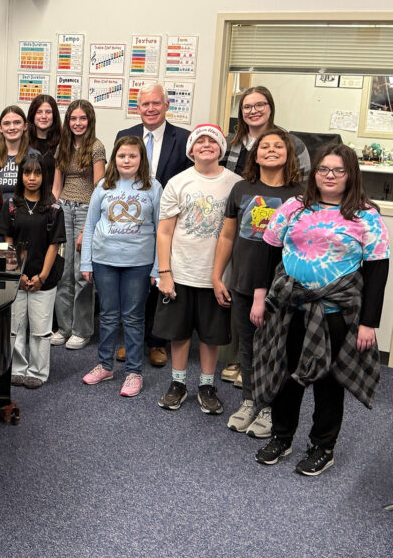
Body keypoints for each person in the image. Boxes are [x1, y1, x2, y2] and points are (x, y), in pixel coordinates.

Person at [253, 144, 389, 476]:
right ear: (314, 173)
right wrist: (259, 298)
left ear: (351, 174)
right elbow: (267, 252)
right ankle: (281, 437)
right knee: (286, 375)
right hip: (290, 307)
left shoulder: (365, 215)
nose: (330, 176)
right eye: (323, 169)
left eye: (338, 170)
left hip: (335, 313)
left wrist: (369, 323)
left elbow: (377, 271)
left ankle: (322, 447)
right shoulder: (295, 207)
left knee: (329, 382)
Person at [211, 127, 303, 435]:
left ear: (289, 154)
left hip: (283, 287)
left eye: (278, 146)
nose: (271, 150)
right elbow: (227, 235)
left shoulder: (301, 194)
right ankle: (250, 401)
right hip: (243, 281)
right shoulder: (241, 189)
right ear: (255, 154)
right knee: (248, 347)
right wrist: (217, 275)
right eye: (265, 146)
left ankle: (269, 407)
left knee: (276, 350)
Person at [154, 124, 241, 414]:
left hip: (217, 276)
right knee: (179, 333)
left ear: (221, 149)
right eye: (199, 141)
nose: (206, 145)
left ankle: (206, 385)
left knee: (211, 335)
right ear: (191, 150)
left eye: (212, 141)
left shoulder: (235, 184)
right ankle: (178, 383)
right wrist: (164, 273)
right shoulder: (178, 182)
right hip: (181, 272)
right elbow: (164, 231)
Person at [116, 82, 192, 367]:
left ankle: (157, 341)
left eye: (156, 103)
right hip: (132, 221)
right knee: (134, 283)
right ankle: (132, 340)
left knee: (161, 278)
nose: (150, 109)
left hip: (169, 222)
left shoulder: (183, 138)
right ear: (138, 108)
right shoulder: (125, 135)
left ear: (166, 105)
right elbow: (117, 177)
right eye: (145, 104)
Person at [80, 135, 162, 398]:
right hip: (104, 261)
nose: (127, 160)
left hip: (139, 263)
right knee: (107, 315)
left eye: (132, 156)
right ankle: (105, 366)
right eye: (122, 155)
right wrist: (86, 261)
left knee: (133, 317)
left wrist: (157, 268)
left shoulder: (153, 187)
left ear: (141, 159)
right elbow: (90, 225)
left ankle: (134, 372)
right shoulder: (103, 185)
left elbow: (161, 230)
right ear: (114, 158)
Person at [0, 154, 65, 389]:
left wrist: (42, 277)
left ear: (44, 176)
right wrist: (18, 273)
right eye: (27, 173)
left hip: (44, 279)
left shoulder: (54, 209)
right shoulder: (11, 206)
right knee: (15, 328)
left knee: (40, 329)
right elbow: (7, 241)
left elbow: (54, 245)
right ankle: (16, 368)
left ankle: (37, 370)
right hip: (17, 277)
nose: (32, 178)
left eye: (37, 173)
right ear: (21, 175)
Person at [50, 100, 106, 351]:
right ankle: (64, 328)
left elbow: (99, 189)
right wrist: (52, 213)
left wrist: (88, 228)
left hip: (86, 210)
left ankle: (82, 330)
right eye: (73, 118)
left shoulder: (96, 147)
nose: (78, 123)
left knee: (81, 273)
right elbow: (56, 186)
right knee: (63, 272)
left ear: (90, 120)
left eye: (82, 118)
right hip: (64, 209)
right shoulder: (62, 145)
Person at [223, 85, 311, 178]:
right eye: (247, 107)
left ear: (271, 108)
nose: (253, 111)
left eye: (260, 105)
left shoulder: (294, 144)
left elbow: (304, 182)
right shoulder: (229, 143)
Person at [0, 104, 36, 201]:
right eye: (6, 123)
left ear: (25, 126)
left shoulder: (34, 156)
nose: (12, 127)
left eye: (17, 122)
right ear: (0, 128)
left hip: (25, 209)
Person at [25, 94, 60, 186]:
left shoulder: (63, 143)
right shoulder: (23, 142)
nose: (44, 116)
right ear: (32, 115)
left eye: (48, 112)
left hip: (54, 194)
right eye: (39, 112)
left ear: (54, 116)